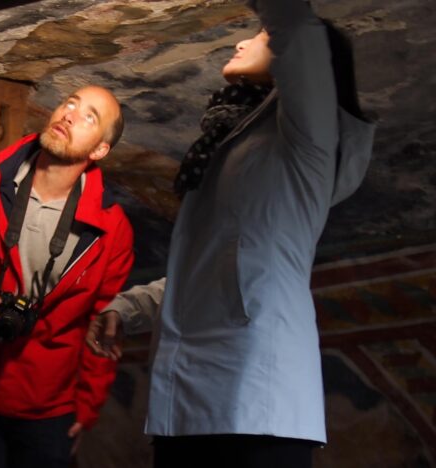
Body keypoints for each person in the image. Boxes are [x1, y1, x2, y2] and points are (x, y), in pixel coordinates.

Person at [86, 0, 375, 467]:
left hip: (256, 396)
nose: (242, 41)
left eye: (260, 36)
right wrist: (126, 308)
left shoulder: (307, 142)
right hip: (184, 403)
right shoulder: (234, 144)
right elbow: (214, 269)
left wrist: (278, 22)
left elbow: (296, 26)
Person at [0, 85, 133, 468]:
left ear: (100, 150)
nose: (69, 114)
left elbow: (104, 322)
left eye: (89, 117)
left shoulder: (113, 228)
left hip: (46, 407)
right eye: (70, 103)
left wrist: (87, 407)